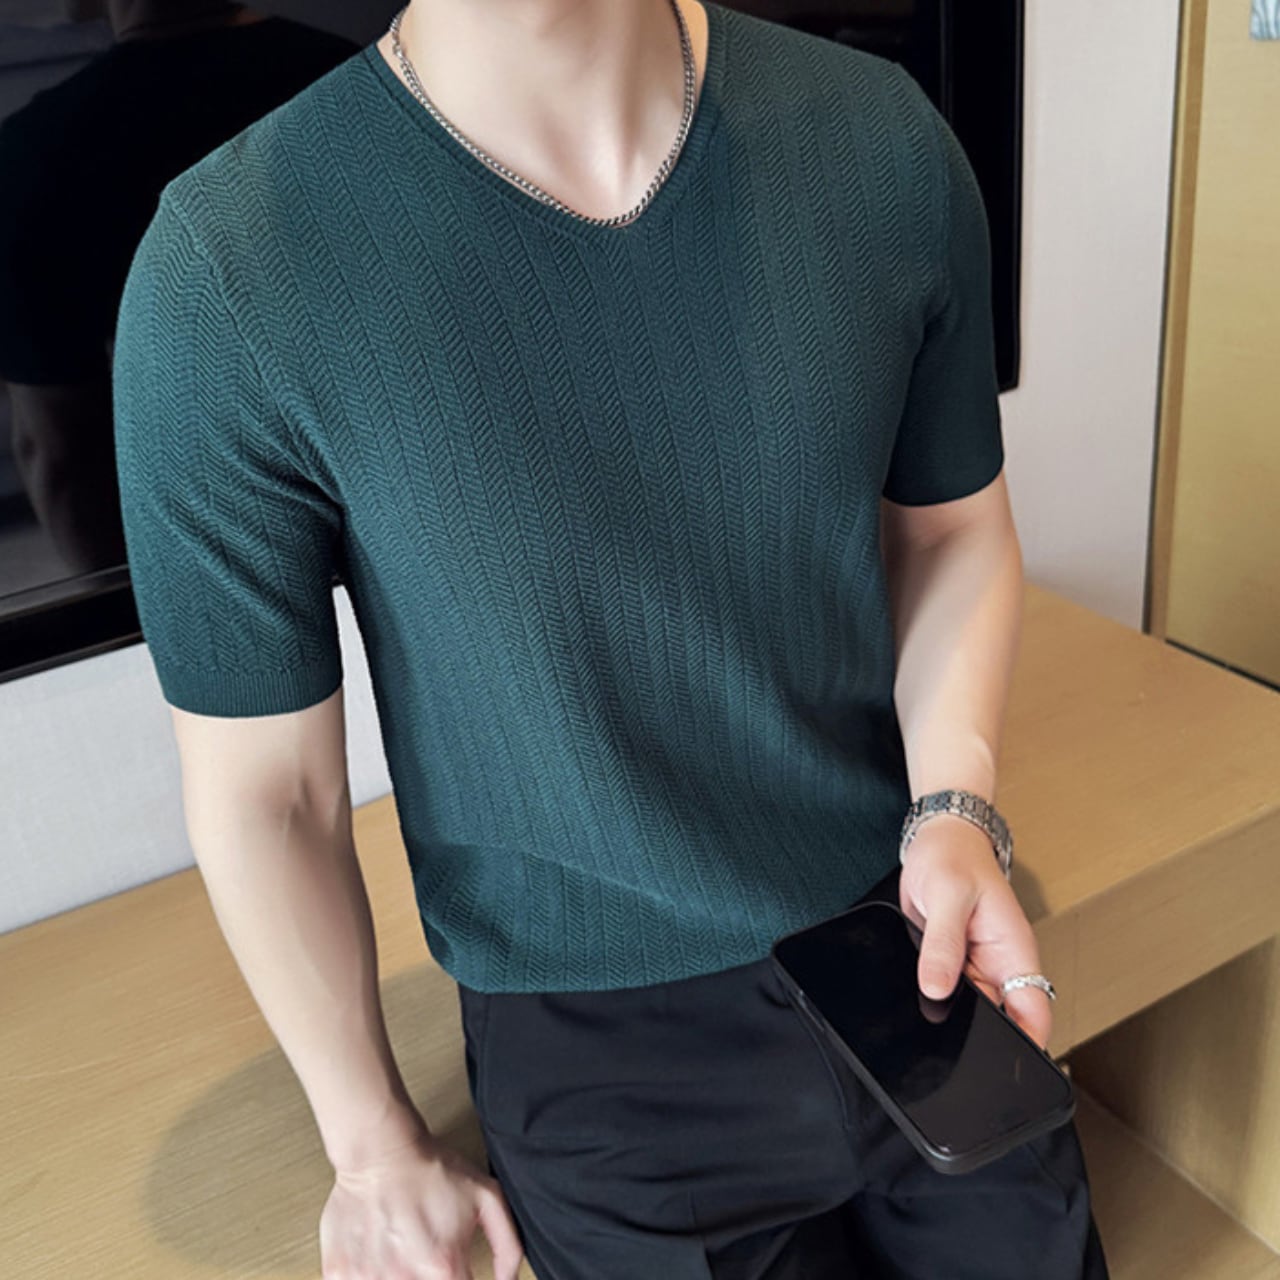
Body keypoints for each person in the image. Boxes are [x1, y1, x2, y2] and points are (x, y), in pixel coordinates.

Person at [111, 0, 1111, 1276]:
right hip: (601, 1056)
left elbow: (948, 530)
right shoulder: (229, 273)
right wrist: (370, 1143)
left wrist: (954, 806)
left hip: (906, 935)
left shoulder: (878, 144)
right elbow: (270, 794)